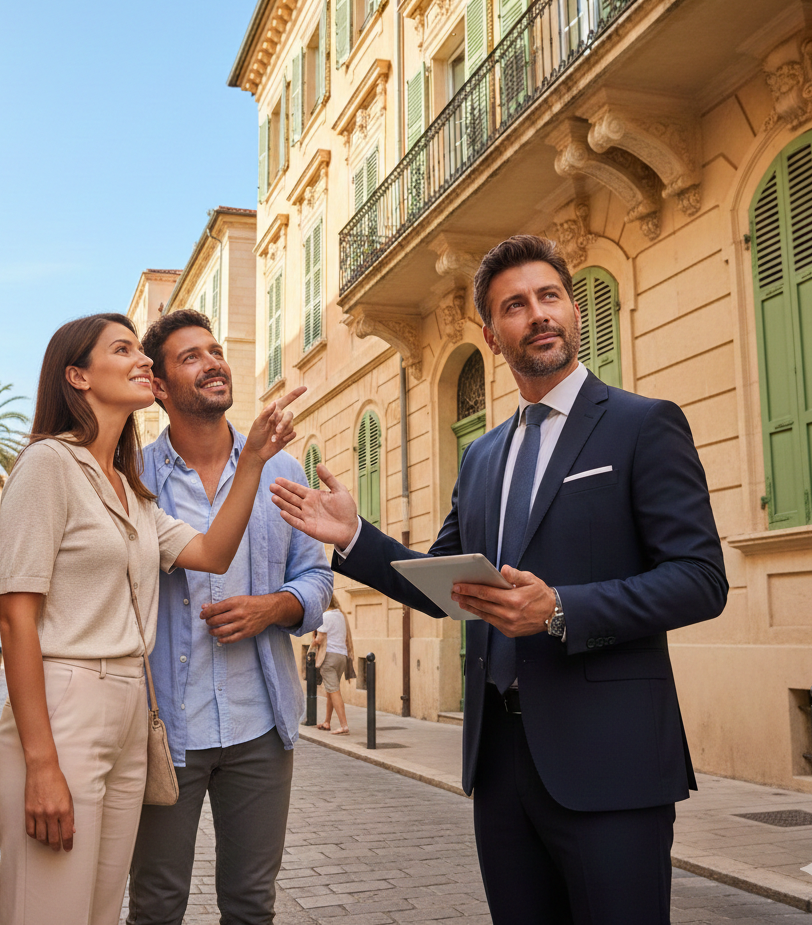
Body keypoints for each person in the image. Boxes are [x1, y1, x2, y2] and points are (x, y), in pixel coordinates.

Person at [272, 235, 729, 925]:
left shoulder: (643, 425)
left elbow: (700, 579)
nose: (538, 314)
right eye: (515, 305)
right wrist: (354, 537)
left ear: (573, 310)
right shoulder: (483, 456)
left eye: (550, 296)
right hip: (500, 766)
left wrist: (560, 608)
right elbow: (442, 584)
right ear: (491, 334)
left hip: (611, 762)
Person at [0, 312, 303, 925]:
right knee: (53, 908)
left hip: (134, 716)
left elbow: (211, 552)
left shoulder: (130, 488)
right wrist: (42, 762)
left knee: (101, 910)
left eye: (141, 350)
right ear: (77, 376)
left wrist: (252, 461)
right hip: (68, 702)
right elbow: (14, 621)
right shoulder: (48, 463)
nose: (141, 360)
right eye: (123, 350)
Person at [127, 309, 332, 925]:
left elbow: (316, 578)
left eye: (215, 350)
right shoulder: (134, 480)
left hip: (260, 725)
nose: (213, 362)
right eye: (190, 357)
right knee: (156, 905)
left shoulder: (281, 469)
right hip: (167, 732)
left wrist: (273, 607)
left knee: (251, 906)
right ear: (158, 387)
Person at [309, 594, 351, 735]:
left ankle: (344, 726)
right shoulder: (341, 615)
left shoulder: (325, 617)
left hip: (329, 657)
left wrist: (313, 641)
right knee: (331, 690)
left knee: (334, 691)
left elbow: (320, 639)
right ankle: (327, 722)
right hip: (341, 656)